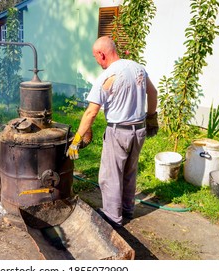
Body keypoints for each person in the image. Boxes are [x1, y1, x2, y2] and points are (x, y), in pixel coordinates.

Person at [66, 36, 158, 228]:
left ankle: (112, 219)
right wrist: (151, 117)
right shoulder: (138, 68)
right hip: (139, 130)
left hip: (119, 133)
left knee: (110, 176)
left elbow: (91, 112)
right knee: (129, 172)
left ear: (102, 54)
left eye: (95, 57)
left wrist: (75, 141)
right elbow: (154, 92)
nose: (96, 61)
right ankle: (127, 211)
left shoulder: (108, 76)